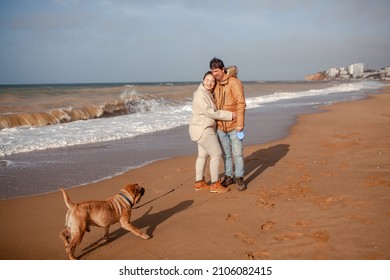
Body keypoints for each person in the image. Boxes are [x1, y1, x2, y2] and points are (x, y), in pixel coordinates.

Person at [189, 71, 236, 193]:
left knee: (202, 155)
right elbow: (210, 112)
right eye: (207, 80)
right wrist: (230, 115)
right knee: (216, 154)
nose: (210, 83)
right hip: (204, 129)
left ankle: (199, 182)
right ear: (203, 80)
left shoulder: (205, 93)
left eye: (212, 81)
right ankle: (215, 184)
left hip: (199, 129)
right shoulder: (201, 94)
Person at [209, 57, 247, 191]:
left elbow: (241, 104)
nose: (215, 74)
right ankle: (229, 176)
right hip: (220, 127)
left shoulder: (234, 82)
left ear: (223, 69)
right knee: (226, 154)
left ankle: (240, 178)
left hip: (234, 126)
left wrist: (240, 124)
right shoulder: (215, 84)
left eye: (216, 71)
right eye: (212, 71)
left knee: (237, 154)